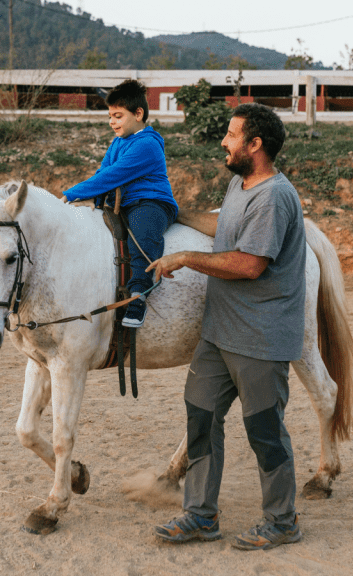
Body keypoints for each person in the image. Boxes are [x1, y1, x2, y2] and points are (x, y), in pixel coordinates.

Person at [146, 103, 307, 551]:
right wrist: (178, 214)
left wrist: (184, 257)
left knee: (264, 432)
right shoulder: (241, 183)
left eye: (233, 135)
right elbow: (227, 228)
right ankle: (200, 515)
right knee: (200, 418)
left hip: (261, 337)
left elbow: (249, 263)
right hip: (219, 334)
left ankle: (281, 521)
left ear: (255, 145)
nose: (224, 141)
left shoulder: (274, 197)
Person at [62, 79, 178, 328]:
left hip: (151, 202)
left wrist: (71, 193)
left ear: (138, 114)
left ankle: (138, 296)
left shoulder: (147, 144)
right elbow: (101, 173)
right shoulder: (117, 142)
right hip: (124, 203)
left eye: (118, 116)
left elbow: (113, 176)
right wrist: (92, 198)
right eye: (110, 116)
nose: (112, 122)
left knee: (142, 237)